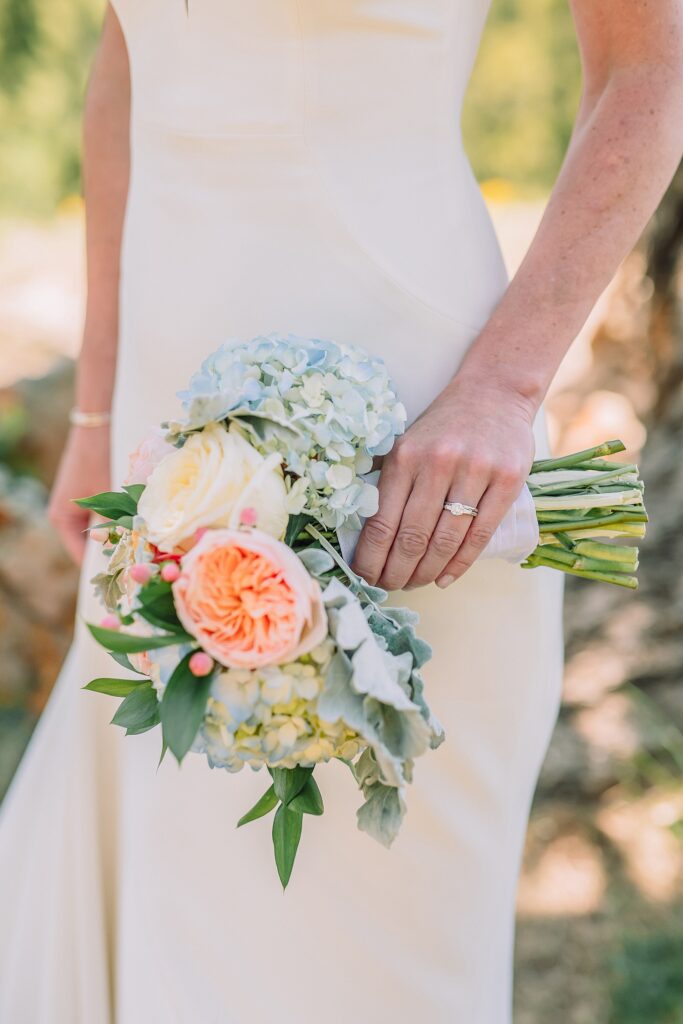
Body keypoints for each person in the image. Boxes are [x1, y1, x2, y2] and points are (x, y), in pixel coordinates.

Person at [1, 2, 681, 1021]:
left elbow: (646, 76)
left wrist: (500, 390)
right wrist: (96, 413)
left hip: (408, 415)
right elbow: (124, 69)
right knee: (176, 897)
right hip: (166, 435)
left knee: (382, 936)